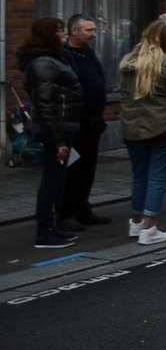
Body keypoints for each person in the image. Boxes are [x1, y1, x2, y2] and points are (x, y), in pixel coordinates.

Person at [118, 20, 166, 245]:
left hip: (132, 126)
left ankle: (136, 221)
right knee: (157, 176)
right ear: (162, 40)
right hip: (163, 125)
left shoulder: (127, 61)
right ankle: (150, 227)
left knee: (139, 176)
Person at [17, 18, 84, 249]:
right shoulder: (44, 63)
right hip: (57, 129)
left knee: (57, 179)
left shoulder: (52, 59)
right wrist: (58, 142)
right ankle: (44, 232)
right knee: (51, 180)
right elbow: (46, 104)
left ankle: (52, 227)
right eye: (59, 30)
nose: (63, 34)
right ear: (48, 34)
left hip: (63, 126)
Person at [59, 13, 110, 227]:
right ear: (74, 31)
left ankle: (83, 207)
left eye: (94, 30)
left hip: (92, 121)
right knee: (72, 168)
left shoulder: (88, 53)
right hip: (74, 121)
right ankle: (65, 212)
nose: (93, 34)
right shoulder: (64, 55)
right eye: (88, 30)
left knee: (88, 168)